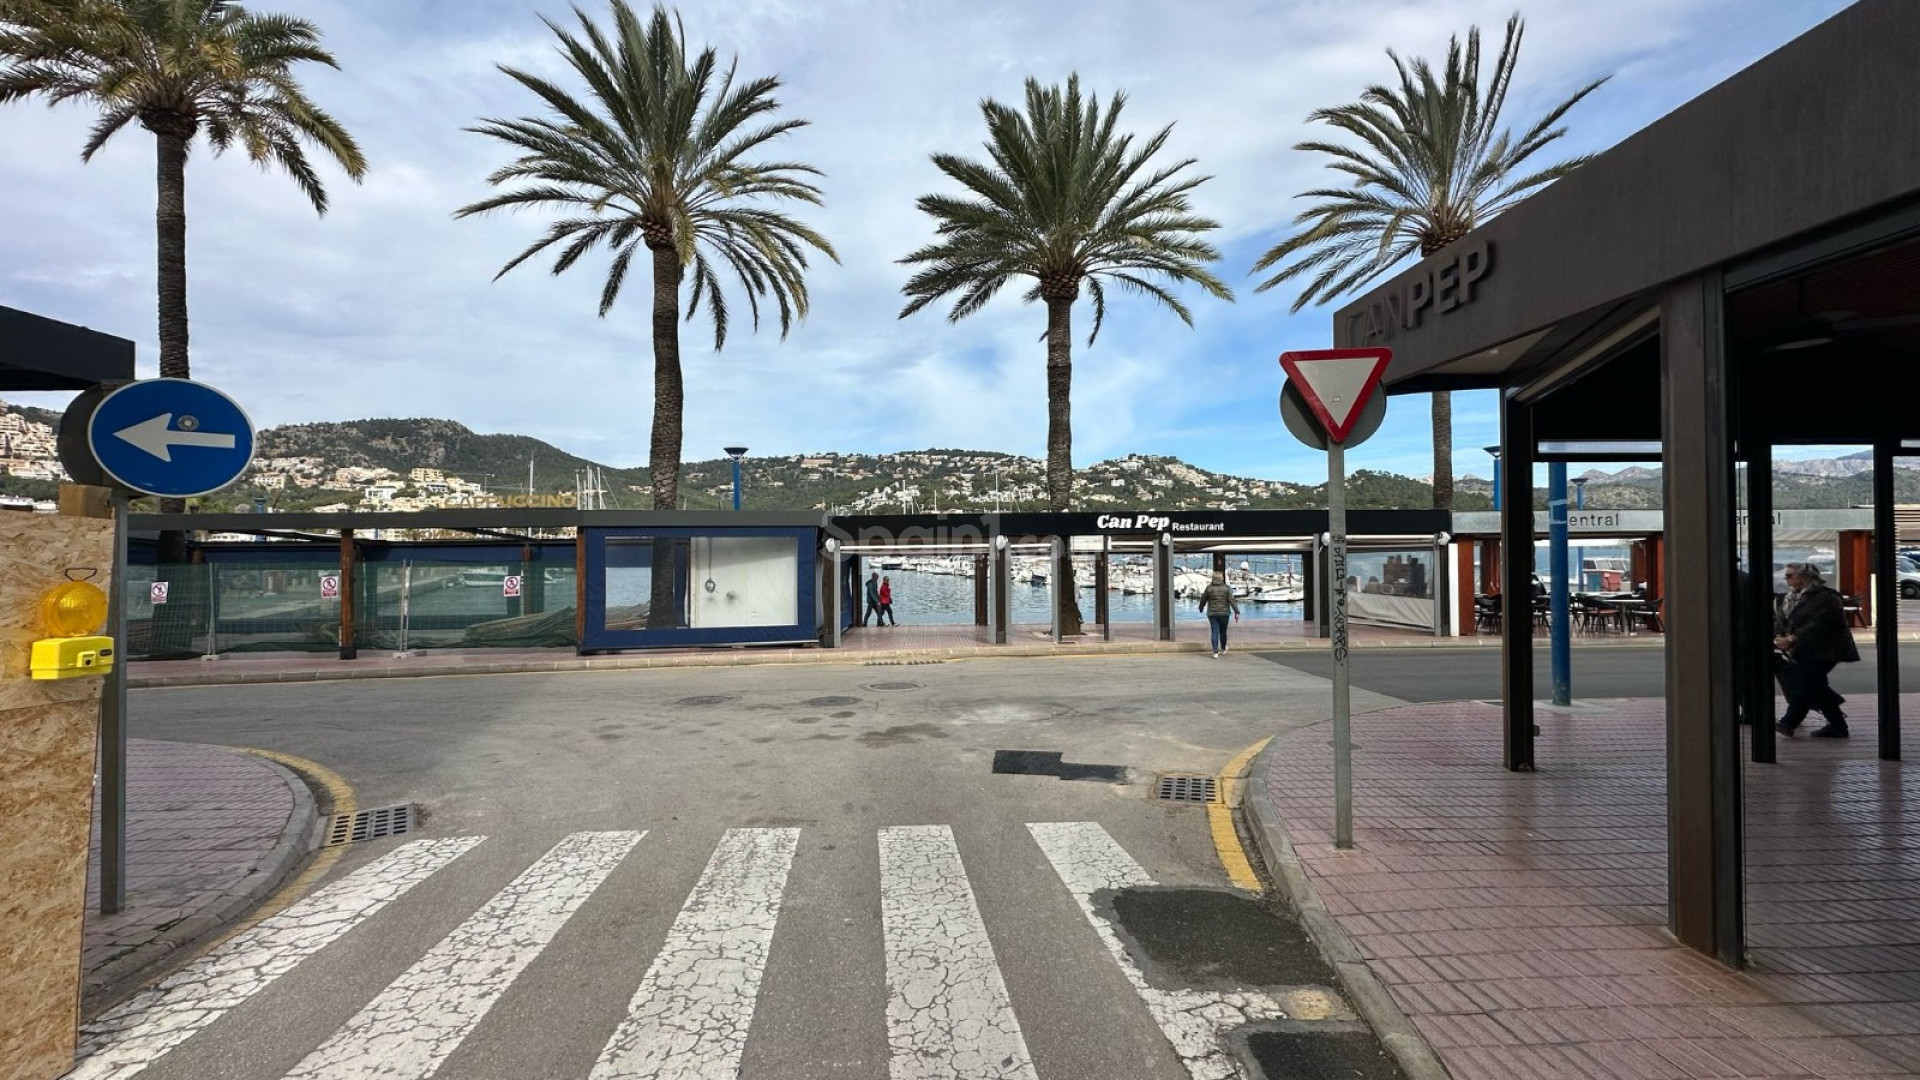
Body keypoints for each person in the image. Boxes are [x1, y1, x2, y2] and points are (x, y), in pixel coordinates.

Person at [1773, 562, 1858, 738]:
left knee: (1806, 682)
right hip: (1803, 649)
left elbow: (1820, 623)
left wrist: (1793, 638)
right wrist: (1779, 637)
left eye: (1790, 575)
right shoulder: (1789, 598)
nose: (1786, 579)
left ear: (1805, 577)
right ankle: (1837, 724)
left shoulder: (1826, 597)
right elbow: (1783, 621)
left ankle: (1788, 722)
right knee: (1814, 684)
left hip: (1826, 649)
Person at [1197, 571, 1240, 657]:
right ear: (1222, 578)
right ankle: (1223, 648)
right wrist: (1236, 611)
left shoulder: (1209, 588)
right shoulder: (1227, 588)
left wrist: (1201, 608)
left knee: (1214, 631)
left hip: (1212, 613)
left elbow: (1203, 599)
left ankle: (1215, 652)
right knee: (1223, 631)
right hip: (1224, 614)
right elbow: (1232, 601)